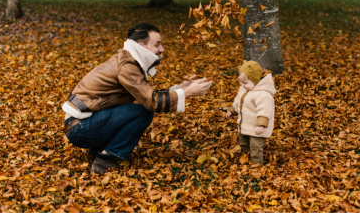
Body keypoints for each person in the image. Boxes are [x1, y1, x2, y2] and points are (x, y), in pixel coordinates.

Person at [62, 22, 213, 173]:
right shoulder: (128, 66)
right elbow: (151, 102)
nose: (162, 49)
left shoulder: (128, 60)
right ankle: (104, 159)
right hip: (80, 129)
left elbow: (145, 95)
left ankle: (98, 149)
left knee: (139, 109)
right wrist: (187, 93)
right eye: (157, 44)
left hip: (81, 125)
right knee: (144, 112)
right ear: (142, 46)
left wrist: (179, 89)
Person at [225, 61, 276, 165]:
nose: (242, 85)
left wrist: (261, 125)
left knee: (255, 146)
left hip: (257, 128)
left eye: (245, 83)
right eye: (241, 83)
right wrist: (232, 111)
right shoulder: (244, 90)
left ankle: (257, 164)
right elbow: (238, 102)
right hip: (245, 124)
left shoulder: (263, 94)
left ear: (255, 81)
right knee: (243, 142)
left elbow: (265, 111)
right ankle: (245, 157)